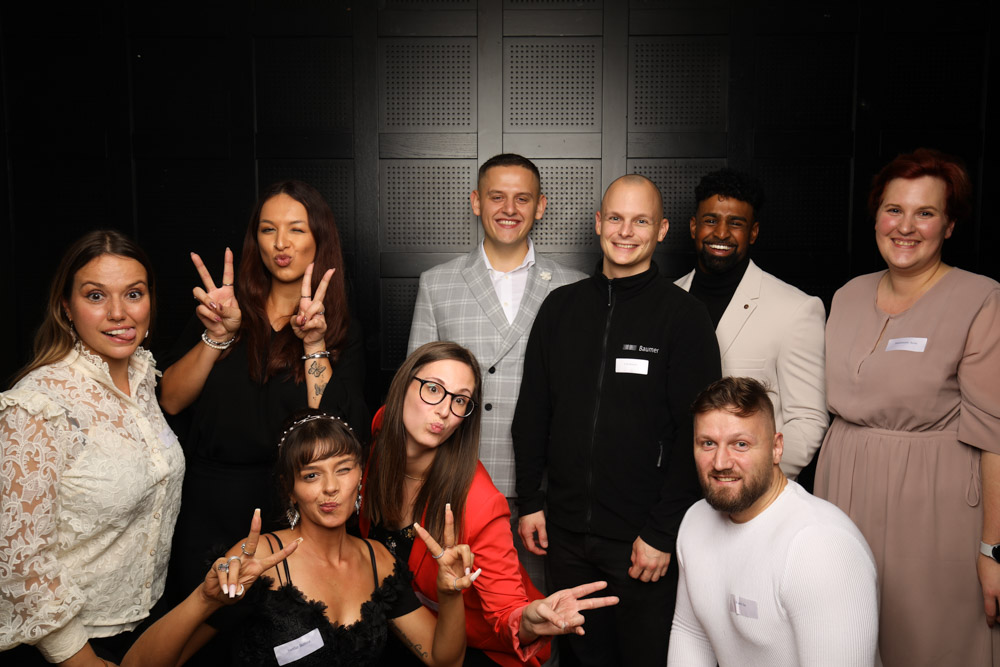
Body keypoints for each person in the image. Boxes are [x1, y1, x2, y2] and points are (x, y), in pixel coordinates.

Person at [512, 174, 721, 666]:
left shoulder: (684, 317)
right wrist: (530, 501)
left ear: (662, 229)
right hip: (564, 536)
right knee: (580, 659)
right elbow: (533, 412)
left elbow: (700, 435)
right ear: (599, 223)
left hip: (640, 542)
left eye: (641, 221)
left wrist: (662, 533)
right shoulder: (560, 308)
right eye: (616, 218)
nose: (626, 232)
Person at [815, 148, 1000, 666]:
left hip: (933, 507)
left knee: (930, 643)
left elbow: (996, 436)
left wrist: (993, 551)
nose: (905, 227)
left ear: (949, 225)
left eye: (926, 213)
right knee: (845, 641)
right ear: (876, 216)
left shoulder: (981, 298)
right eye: (894, 209)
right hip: (842, 495)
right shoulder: (848, 295)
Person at [120, 412, 477, 667]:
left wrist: (449, 596)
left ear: (360, 477)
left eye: (343, 469)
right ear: (290, 489)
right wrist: (204, 598)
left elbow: (445, 661)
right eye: (311, 475)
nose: (331, 487)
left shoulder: (379, 560)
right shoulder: (258, 558)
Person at [160, 180, 369, 602]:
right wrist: (218, 336)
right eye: (268, 229)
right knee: (200, 617)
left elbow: (335, 428)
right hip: (207, 504)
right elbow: (171, 400)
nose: (280, 243)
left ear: (319, 239)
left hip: (290, 511)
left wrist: (314, 344)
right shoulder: (225, 309)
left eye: (296, 229)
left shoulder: (339, 331)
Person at [361, 341, 619, 667]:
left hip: (475, 648)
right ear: (402, 388)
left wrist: (529, 620)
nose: (444, 410)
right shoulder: (382, 429)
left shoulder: (479, 502)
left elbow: (507, 609)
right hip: (404, 626)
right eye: (433, 389)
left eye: (459, 400)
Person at [0, 230, 184, 666]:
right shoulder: (37, 405)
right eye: (96, 296)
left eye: (133, 294)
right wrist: (77, 657)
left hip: (144, 624)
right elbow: (18, 559)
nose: (119, 313)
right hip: (68, 647)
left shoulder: (142, 375)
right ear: (66, 307)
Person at [408, 153, 586, 591]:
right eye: (496, 197)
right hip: (457, 479)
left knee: (538, 606)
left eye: (522, 198)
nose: (509, 209)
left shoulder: (575, 286)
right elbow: (416, 397)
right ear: (476, 202)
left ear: (540, 207)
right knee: (456, 603)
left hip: (544, 488)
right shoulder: (437, 283)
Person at [668, 377, 878, 666]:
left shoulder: (821, 545)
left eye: (740, 444)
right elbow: (690, 634)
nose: (720, 463)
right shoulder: (696, 520)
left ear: (776, 448)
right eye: (708, 443)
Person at [675, 168, 828, 478]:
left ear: (753, 232)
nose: (721, 233)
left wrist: (757, 483)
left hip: (751, 491)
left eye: (736, 223)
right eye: (710, 220)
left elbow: (808, 420)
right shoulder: (668, 300)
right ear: (693, 226)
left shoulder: (796, 309)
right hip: (673, 491)